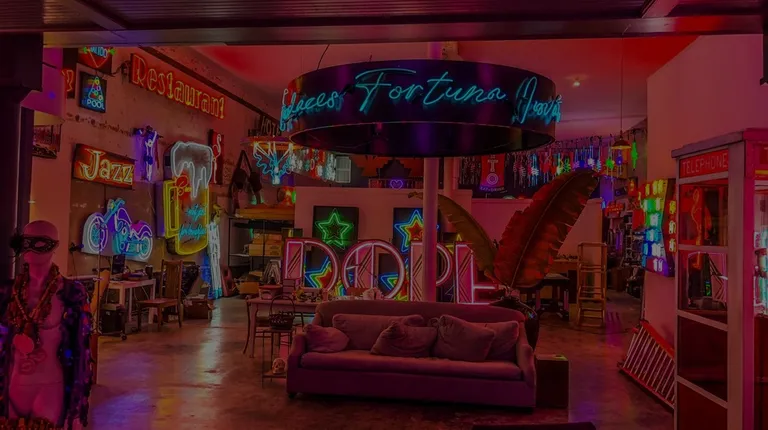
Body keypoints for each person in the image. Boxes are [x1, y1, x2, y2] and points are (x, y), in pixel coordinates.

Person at [0, 221, 92, 429]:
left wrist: (77, 408)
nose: (30, 248)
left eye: (39, 242)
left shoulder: (70, 293)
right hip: (13, 385)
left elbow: (81, 351)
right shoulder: (8, 292)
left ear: (54, 246)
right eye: (25, 241)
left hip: (50, 387)